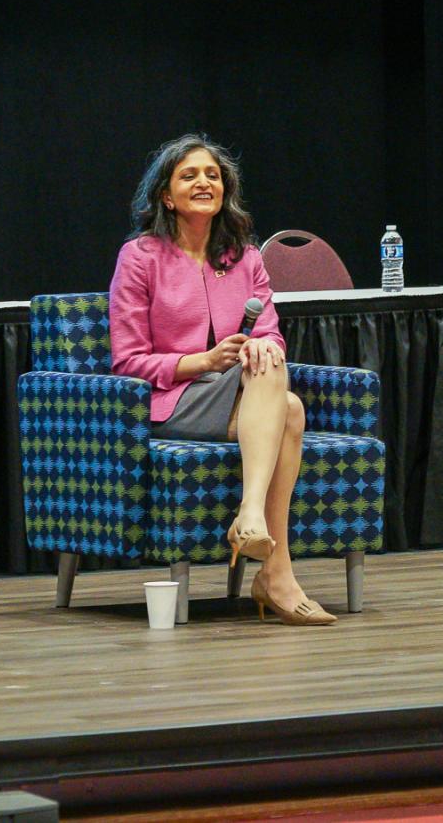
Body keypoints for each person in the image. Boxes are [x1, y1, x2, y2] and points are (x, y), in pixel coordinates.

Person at [108, 134, 335, 626]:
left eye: (212, 174)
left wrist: (259, 345)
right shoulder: (140, 257)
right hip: (173, 399)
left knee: (275, 375)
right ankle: (273, 566)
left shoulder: (245, 256)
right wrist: (202, 361)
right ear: (167, 196)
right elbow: (127, 362)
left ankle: (260, 538)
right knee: (288, 409)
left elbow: (271, 333)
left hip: (240, 394)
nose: (203, 182)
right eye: (189, 175)